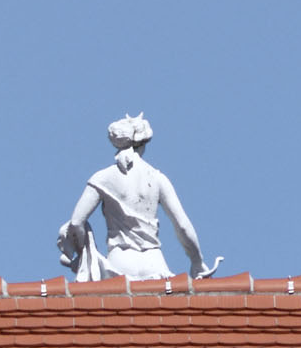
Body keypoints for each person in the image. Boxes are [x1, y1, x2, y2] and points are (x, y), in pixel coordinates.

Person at [58, 114, 209, 281]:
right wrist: (197, 261)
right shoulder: (158, 179)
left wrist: (83, 253)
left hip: (120, 262)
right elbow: (182, 226)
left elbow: (76, 222)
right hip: (154, 262)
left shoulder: (102, 178)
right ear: (143, 144)